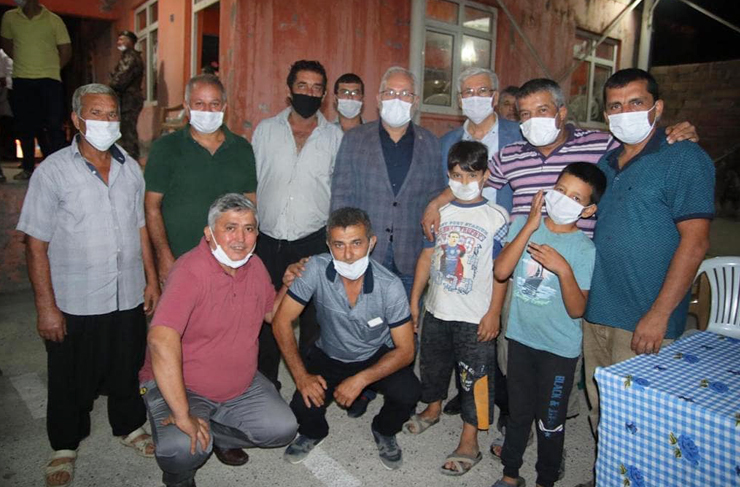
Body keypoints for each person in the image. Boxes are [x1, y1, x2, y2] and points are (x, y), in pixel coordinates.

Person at [16, 83, 159, 487]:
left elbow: (140, 227)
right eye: (96, 113)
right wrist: (47, 308)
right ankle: (64, 445)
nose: (106, 121)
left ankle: (129, 426)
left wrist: (151, 280)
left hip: (127, 292)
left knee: (126, 365)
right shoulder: (52, 172)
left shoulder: (130, 168)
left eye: (112, 114)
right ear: (77, 120)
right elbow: (35, 245)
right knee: (69, 376)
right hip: (75, 298)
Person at [576, 69, 714, 487]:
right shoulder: (606, 165)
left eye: (636, 102)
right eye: (615, 106)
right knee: (603, 408)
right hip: (599, 309)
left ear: (658, 107)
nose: (625, 112)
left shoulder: (684, 158)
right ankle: (608, 476)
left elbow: (695, 243)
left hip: (645, 315)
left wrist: (659, 314)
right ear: (606, 114)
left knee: (643, 418)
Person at [139, 193, 298, 487]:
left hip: (239, 384)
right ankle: (179, 478)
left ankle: (217, 434)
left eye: (249, 229)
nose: (241, 238)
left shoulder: (255, 266)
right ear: (209, 233)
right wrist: (182, 414)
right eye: (230, 228)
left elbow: (272, 314)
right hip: (185, 386)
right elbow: (160, 340)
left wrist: (289, 285)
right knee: (182, 449)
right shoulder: (189, 271)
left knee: (283, 429)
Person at [274, 207, 420, 470]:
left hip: (374, 353)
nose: (349, 255)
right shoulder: (314, 268)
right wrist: (301, 376)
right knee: (302, 406)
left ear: (371, 242)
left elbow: (406, 350)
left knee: (409, 392)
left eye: (356, 243)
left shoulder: (390, 286)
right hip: (330, 352)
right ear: (328, 245)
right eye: (339, 245)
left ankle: (384, 429)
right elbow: (281, 321)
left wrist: (361, 379)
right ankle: (314, 432)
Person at [491, 162, 605, 487]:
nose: (564, 199)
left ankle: (546, 479)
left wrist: (564, 270)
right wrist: (529, 226)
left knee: (550, 421)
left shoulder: (584, 249)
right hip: (520, 340)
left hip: (559, 351)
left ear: (588, 210)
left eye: (575, 198)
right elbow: (501, 271)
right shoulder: (523, 226)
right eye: (560, 190)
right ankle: (510, 474)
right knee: (518, 414)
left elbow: (577, 308)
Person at [404, 141, 509, 476]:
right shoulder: (439, 212)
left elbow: (501, 271)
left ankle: (469, 439)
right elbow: (426, 257)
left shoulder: (496, 217)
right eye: (457, 175)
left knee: (475, 377)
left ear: (485, 176)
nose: (464, 182)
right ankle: (433, 408)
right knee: (432, 365)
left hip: (475, 316)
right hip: (438, 309)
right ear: (448, 175)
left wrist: (494, 313)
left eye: (471, 175)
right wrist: (415, 300)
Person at [252, 60, 343, 388]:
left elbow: (338, 191)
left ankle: (309, 387)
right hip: (267, 239)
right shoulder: (265, 131)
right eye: (302, 85)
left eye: (317, 88)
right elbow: (252, 182)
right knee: (265, 315)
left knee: (313, 318)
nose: (309, 92)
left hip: (312, 240)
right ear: (289, 89)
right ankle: (265, 385)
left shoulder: (335, 137)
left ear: (324, 95)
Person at [331, 66, 447, 297]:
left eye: (405, 94)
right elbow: (340, 198)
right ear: (378, 99)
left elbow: (436, 196)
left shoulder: (430, 143)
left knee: (406, 318)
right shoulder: (354, 139)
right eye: (390, 93)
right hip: (363, 255)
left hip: (411, 257)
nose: (397, 100)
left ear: (415, 101)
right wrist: (343, 249)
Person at [144, 74, 257, 284]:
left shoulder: (242, 149)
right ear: (187, 107)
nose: (207, 111)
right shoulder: (165, 148)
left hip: (229, 262)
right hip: (180, 260)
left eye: (214, 104)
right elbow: (151, 207)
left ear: (224, 107)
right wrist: (164, 256)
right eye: (199, 104)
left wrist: (245, 251)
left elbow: (250, 203)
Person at [1, 0, 71, 180]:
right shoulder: (10, 18)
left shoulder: (53, 20)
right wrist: (23, 61)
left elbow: (66, 50)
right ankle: (28, 168)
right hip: (22, 79)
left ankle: (58, 170)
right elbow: (6, 43)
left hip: (49, 81)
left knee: (53, 126)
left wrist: (52, 69)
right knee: (25, 126)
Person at [439, 68, 518, 212]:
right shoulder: (446, 143)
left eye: (482, 91)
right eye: (468, 92)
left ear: (495, 97)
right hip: (460, 221)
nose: (475, 98)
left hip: (507, 221)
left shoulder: (518, 136)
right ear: (460, 101)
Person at [109, 30, 144, 160]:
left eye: (123, 39)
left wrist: (109, 86)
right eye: (119, 40)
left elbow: (121, 79)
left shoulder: (130, 57)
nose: (119, 42)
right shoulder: (127, 57)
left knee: (127, 132)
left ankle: (131, 161)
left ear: (131, 41)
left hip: (129, 100)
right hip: (127, 100)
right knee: (126, 131)